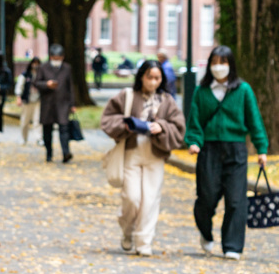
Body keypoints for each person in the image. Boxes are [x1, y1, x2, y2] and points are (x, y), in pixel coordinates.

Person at [185, 45, 269, 260]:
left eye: (223, 63)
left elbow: (254, 120)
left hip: (236, 150)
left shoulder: (243, 90)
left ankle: (232, 245)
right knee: (206, 198)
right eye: (214, 63)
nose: (218, 67)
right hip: (209, 150)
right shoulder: (202, 91)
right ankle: (205, 232)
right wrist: (194, 141)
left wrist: (261, 149)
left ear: (230, 65)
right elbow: (195, 122)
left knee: (235, 200)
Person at [100, 60, 186, 256]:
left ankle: (143, 242)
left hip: (155, 155)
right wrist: (126, 125)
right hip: (132, 152)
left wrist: (162, 126)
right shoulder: (127, 96)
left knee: (150, 200)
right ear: (141, 77)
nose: (153, 82)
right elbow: (108, 118)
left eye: (157, 78)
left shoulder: (167, 100)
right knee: (132, 198)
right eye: (150, 77)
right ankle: (127, 230)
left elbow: (179, 127)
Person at [35, 43, 75, 163]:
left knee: (64, 128)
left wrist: (72, 104)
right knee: (47, 129)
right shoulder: (43, 67)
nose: (57, 61)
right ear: (51, 57)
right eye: (55, 58)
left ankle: (65, 152)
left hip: (62, 103)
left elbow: (70, 86)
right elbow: (36, 82)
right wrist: (46, 84)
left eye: (59, 58)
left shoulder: (67, 68)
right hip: (47, 103)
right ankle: (49, 153)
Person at [15, 57, 41, 145]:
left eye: (37, 63)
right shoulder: (25, 75)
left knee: (37, 120)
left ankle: (39, 138)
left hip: (38, 100)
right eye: (34, 63)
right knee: (25, 121)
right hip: (27, 100)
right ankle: (23, 138)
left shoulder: (40, 74)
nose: (36, 65)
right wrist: (19, 97)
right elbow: (19, 86)